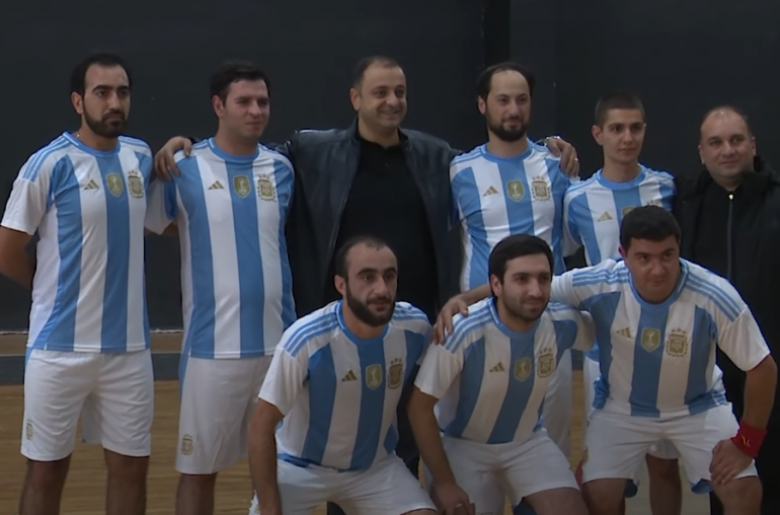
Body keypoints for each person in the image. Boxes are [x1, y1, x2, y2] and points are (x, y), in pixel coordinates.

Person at [152, 55, 581, 515]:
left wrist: (547, 148)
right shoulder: (312, 153)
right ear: (355, 98)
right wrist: (188, 146)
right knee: (338, 441)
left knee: (403, 440)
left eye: (399, 92)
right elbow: (241, 149)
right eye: (380, 92)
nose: (392, 101)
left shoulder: (436, 157)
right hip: (342, 329)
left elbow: (499, 156)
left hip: (415, 324)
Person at [435, 205, 777, 515]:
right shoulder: (599, 282)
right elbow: (530, 285)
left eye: (667, 255)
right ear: (623, 255)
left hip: (698, 407)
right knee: (598, 494)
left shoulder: (714, 294)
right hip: (620, 409)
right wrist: (463, 299)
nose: (657, 269)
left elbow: (762, 368)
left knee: (744, 490)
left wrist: (746, 442)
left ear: (679, 249)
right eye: (644, 257)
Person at [0, 53, 154, 515]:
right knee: (46, 472)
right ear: (78, 101)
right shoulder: (48, 164)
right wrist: (50, 291)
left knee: (131, 469)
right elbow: (7, 249)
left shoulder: (141, 157)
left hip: (129, 351)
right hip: (58, 351)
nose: (114, 102)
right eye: (101, 92)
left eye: (122, 92)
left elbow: (156, 219)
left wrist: (178, 147)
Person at [144, 60, 295, 515]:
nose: (256, 111)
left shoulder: (282, 169)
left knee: (281, 469)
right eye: (243, 101)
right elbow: (154, 224)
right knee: (198, 471)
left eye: (262, 102)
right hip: (211, 351)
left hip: (278, 348)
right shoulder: (183, 167)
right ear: (218, 106)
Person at [246, 236, 438, 515]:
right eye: (367, 277)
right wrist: (269, 506)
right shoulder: (305, 340)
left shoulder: (416, 327)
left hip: (375, 468)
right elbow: (260, 427)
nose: (381, 289)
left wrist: (462, 301)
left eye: (389, 276)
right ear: (341, 285)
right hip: (298, 468)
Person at [407, 234, 593, 515]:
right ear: (496, 284)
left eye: (543, 279)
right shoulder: (461, 331)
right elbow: (419, 409)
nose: (535, 290)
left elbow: (612, 331)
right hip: (462, 447)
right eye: (522, 279)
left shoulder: (563, 322)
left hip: (527, 442)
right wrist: (444, 482)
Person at [450, 61, 577, 468]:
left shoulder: (558, 166)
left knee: (550, 453)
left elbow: (573, 239)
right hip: (480, 325)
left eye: (521, 100)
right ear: (482, 104)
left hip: (547, 325)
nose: (513, 109)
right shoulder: (459, 171)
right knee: (478, 450)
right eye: (503, 100)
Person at [562, 91, 681, 515]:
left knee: (663, 465)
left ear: (644, 131)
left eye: (634, 128)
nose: (626, 138)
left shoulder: (665, 187)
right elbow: (568, 255)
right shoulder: (577, 198)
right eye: (616, 129)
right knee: (607, 475)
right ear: (598, 134)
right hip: (606, 350)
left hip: (663, 345)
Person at [675, 105, 780, 515]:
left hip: (770, 363)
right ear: (702, 152)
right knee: (728, 477)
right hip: (713, 371)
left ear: (752, 145)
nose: (728, 150)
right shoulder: (687, 205)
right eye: (716, 143)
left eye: (736, 140)